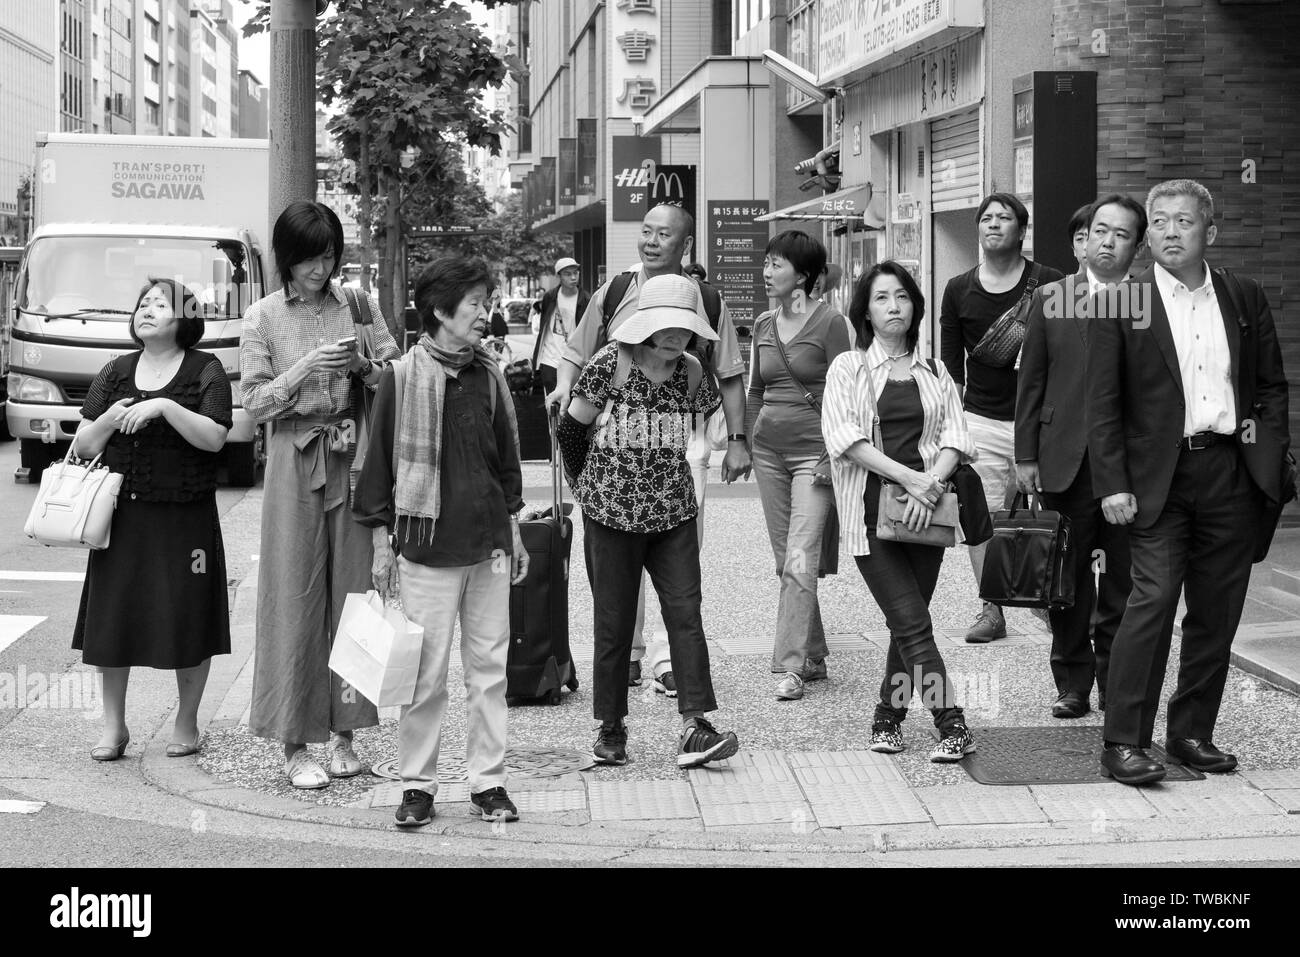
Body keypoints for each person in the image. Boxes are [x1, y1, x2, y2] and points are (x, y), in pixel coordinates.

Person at [1088, 179, 1289, 785]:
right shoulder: (1124, 302)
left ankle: (1191, 733)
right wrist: (1112, 483)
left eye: (1183, 221)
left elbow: (1270, 387)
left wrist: (1269, 463)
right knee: (1150, 603)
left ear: (1210, 232)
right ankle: (1124, 740)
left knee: (1218, 611)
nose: (1169, 231)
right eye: (1159, 221)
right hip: (1156, 479)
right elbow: (1102, 403)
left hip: (1230, 471)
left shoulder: (1243, 296)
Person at [546, 203, 753, 695]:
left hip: (686, 444)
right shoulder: (614, 290)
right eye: (646, 232)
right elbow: (576, 352)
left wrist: (738, 441)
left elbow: (728, 373)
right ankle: (631, 654)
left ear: (685, 246)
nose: (652, 241)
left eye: (664, 235)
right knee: (620, 560)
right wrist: (563, 389)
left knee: (678, 562)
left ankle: (667, 655)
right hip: (614, 453)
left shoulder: (705, 299)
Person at [354, 255, 528, 827]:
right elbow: (377, 468)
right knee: (425, 675)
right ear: (440, 310)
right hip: (426, 548)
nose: (486, 314)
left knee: (490, 670)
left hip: (489, 546)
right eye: (476, 303)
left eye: (486, 301)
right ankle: (417, 786)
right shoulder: (402, 378)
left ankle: (489, 784)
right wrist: (381, 543)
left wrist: (515, 533)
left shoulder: (490, 375)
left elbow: (506, 464)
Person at [240, 201, 401, 789]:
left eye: (330, 255)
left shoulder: (357, 305)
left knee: (355, 596)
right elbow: (253, 404)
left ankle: (345, 735)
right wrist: (303, 369)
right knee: (293, 594)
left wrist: (362, 364)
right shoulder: (261, 317)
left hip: (354, 451)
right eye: (310, 257)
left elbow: (393, 372)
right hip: (293, 456)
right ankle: (294, 743)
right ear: (288, 256)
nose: (321, 267)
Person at [555, 273, 740, 768]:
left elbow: (712, 419)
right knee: (613, 623)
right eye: (669, 326)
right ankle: (611, 727)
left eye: (686, 327)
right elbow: (571, 430)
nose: (678, 336)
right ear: (646, 327)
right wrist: (586, 488)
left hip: (674, 511)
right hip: (610, 514)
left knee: (686, 615)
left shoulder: (694, 371)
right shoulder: (609, 364)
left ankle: (695, 724)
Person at [72, 278, 232, 761]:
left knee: (190, 616)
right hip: (121, 517)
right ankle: (114, 726)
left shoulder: (207, 369)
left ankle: (186, 721)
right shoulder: (114, 371)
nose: (147, 311)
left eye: (160, 304)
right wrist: (108, 419)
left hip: (186, 519)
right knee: (112, 619)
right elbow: (82, 446)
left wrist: (163, 406)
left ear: (185, 317)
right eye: (143, 304)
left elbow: (215, 437)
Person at [823, 262, 978, 761]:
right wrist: (908, 479)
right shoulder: (848, 368)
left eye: (902, 297)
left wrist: (927, 485)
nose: (894, 306)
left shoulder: (936, 371)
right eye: (882, 298)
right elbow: (845, 439)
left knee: (906, 623)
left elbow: (957, 439)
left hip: (927, 512)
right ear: (866, 311)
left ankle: (887, 718)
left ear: (915, 307)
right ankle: (951, 722)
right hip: (872, 513)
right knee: (912, 621)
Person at [1016, 195, 1146, 719]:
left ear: (1136, 247)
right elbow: (1032, 381)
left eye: (1121, 234)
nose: (1108, 242)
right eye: (1101, 231)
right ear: (1084, 239)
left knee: (1123, 581)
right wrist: (1026, 455)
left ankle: (1118, 683)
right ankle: (1072, 682)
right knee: (1066, 582)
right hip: (1063, 460)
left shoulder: (1147, 303)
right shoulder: (1051, 298)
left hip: (1130, 469)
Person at [940, 193, 1065, 643]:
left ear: (1022, 230)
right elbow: (952, 369)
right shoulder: (958, 289)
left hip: (1045, 421)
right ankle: (991, 606)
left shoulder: (1051, 284)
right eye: (986, 218)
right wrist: (948, 430)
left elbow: (1068, 356)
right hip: (983, 419)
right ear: (978, 229)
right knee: (983, 516)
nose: (994, 224)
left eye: (1004, 218)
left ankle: (1053, 600)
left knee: (1053, 512)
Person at [746, 230, 851, 700]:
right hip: (769, 452)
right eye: (766, 263)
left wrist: (833, 454)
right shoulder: (764, 324)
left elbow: (846, 393)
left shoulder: (832, 323)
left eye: (778, 264)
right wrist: (746, 442)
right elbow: (754, 390)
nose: (768, 272)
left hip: (815, 453)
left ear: (803, 275)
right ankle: (814, 654)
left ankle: (789, 666)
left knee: (800, 556)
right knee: (785, 560)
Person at [531, 257, 589, 395]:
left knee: (571, 405)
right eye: (568, 274)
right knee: (553, 406)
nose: (573, 277)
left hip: (574, 361)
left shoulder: (586, 299)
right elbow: (545, 326)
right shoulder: (549, 297)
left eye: (576, 272)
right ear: (559, 276)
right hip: (550, 359)